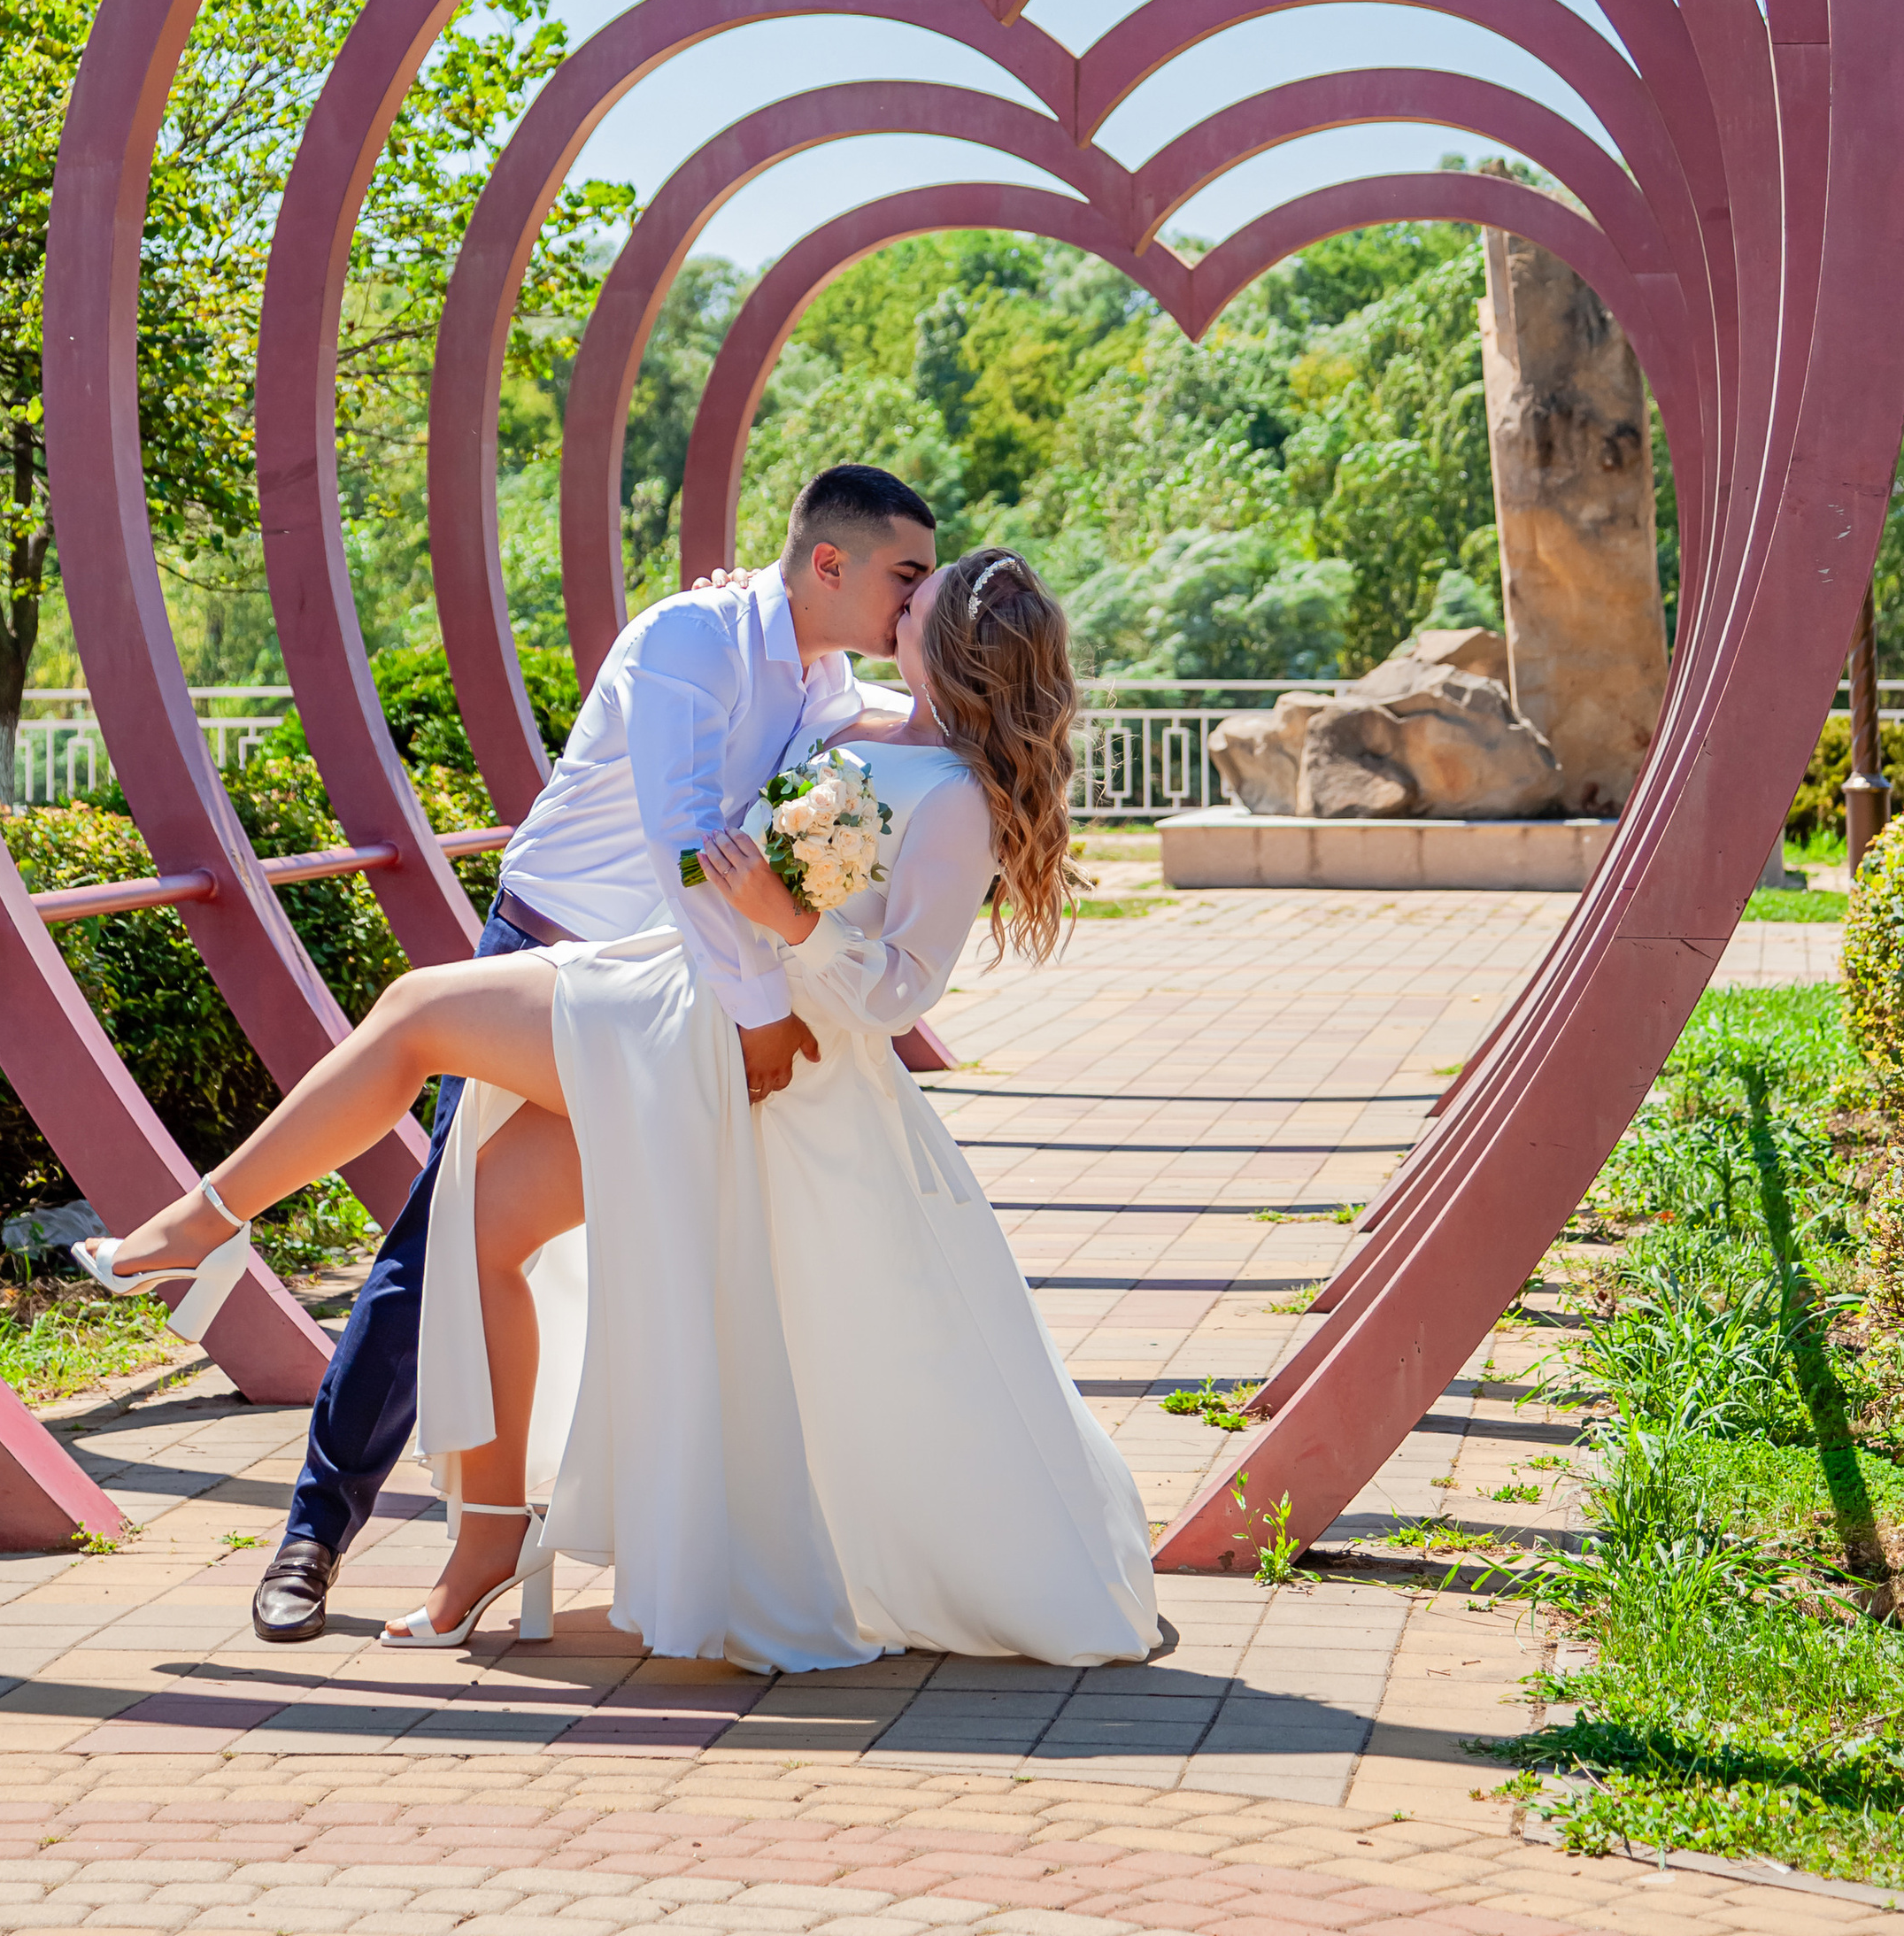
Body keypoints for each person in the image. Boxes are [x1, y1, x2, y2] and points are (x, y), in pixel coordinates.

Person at [81, 544, 1159, 1675]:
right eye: (901, 588)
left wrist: (787, 920)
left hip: (713, 1036)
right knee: (478, 1227)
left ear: (950, 648)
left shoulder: (957, 807)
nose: (895, 608)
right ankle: (488, 1537)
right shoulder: (862, 718)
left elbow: (898, 994)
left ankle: (202, 1225)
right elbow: (749, 728)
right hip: (684, 996)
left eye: (915, 604)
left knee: (410, 1015)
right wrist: (732, 614)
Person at [199, 464, 937, 1643]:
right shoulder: (693, 639)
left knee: (510, 1236)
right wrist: (758, 1011)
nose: (922, 598)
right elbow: (686, 842)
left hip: (659, 998)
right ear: (832, 564)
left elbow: (873, 791)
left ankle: (588, 1528)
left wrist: (995, 706)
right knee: (443, 1240)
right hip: (548, 963)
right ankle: (316, 1533)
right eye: (909, 574)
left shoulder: (829, 678)